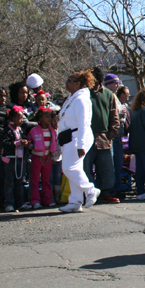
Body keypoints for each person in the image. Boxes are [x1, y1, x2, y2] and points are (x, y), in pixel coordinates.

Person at [58, 70, 99, 213]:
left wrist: (81, 144)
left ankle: (90, 189)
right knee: (75, 169)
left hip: (77, 137)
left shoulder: (81, 99)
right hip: (68, 137)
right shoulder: (72, 97)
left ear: (78, 84)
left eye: (70, 80)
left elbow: (84, 123)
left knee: (69, 168)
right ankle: (75, 201)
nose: (67, 82)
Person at [84, 68, 120, 204]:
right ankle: (89, 193)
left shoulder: (109, 94)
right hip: (87, 137)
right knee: (86, 168)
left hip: (104, 138)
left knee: (107, 169)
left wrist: (111, 134)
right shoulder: (84, 94)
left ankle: (107, 192)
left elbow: (114, 116)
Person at [27, 108, 58, 208]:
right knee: (35, 180)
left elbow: (54, 143)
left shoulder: (52, 131)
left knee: (46, 180)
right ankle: (35, 200)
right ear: (40, 118)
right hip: (37, 157)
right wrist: (32, 146)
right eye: (46, 116)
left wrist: (53, 156)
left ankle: (46, 199)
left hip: (47, 158)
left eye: (50, 116)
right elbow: (29, 142)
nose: (49, 119)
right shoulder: (34, 131)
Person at [1, 106, 30, 212]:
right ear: (12, 118)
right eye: (19, 118)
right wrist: (18, 143)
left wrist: (26, 143)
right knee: (9, 183)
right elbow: (6, 144)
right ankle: (9, 203)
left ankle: (20, 203)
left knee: (19, 182)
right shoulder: (7, 130)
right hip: (10, 160)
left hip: (20, 159)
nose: (21, 120)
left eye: (22, 118)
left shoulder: (20, 130)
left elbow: (23, 140)